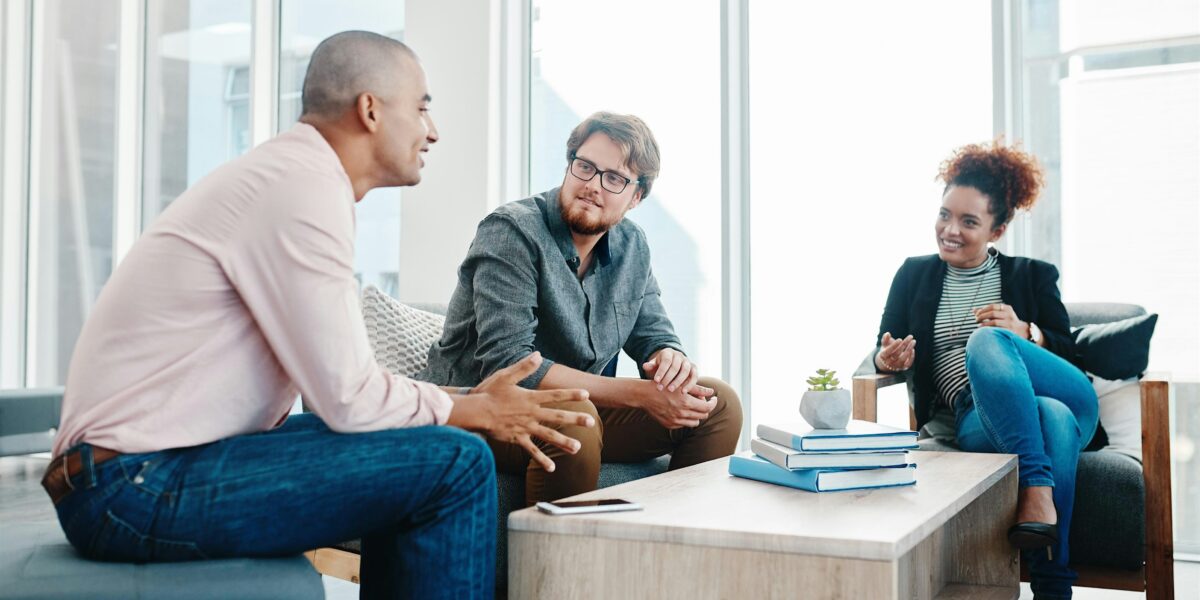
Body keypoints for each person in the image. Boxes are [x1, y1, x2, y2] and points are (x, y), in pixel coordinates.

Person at [43, 31, 592, 599]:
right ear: (371, 109)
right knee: (455, 461)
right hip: (127, 486)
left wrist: (466, 404)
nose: (433, 131)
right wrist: (472, 410)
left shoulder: (294, 177)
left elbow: (346, 389)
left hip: (142, 469)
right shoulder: (302, 188)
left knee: (424, 449)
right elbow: (348, 399)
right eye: (423, 106)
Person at [419, 112, 742, 506]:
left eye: (614, 178)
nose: (592, 186)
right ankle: (556, 568)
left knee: (716, 403)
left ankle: (669, 550)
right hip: (481, 409)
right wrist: (639, 395)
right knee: (575, 422)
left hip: (581, 409)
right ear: (569, 165)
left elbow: (653, 333)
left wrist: (668, 358)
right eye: (585, 167)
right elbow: (511, 365)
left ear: (636, 197)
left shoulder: (632, 246)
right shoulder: (512, 231)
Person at [872, 141, 1097, 599]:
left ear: (998, 229)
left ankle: (1035, 485)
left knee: (991, 340)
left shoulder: (1033, 275)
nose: (950, 230)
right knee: (1049, 416)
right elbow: (883, 346)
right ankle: (1055, 585)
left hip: (1072, 399)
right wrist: (887, 359)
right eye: (944, 215)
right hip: (978, 419)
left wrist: (1025, 331)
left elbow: (1069, 355)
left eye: (969, 221)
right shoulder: (913, 275)